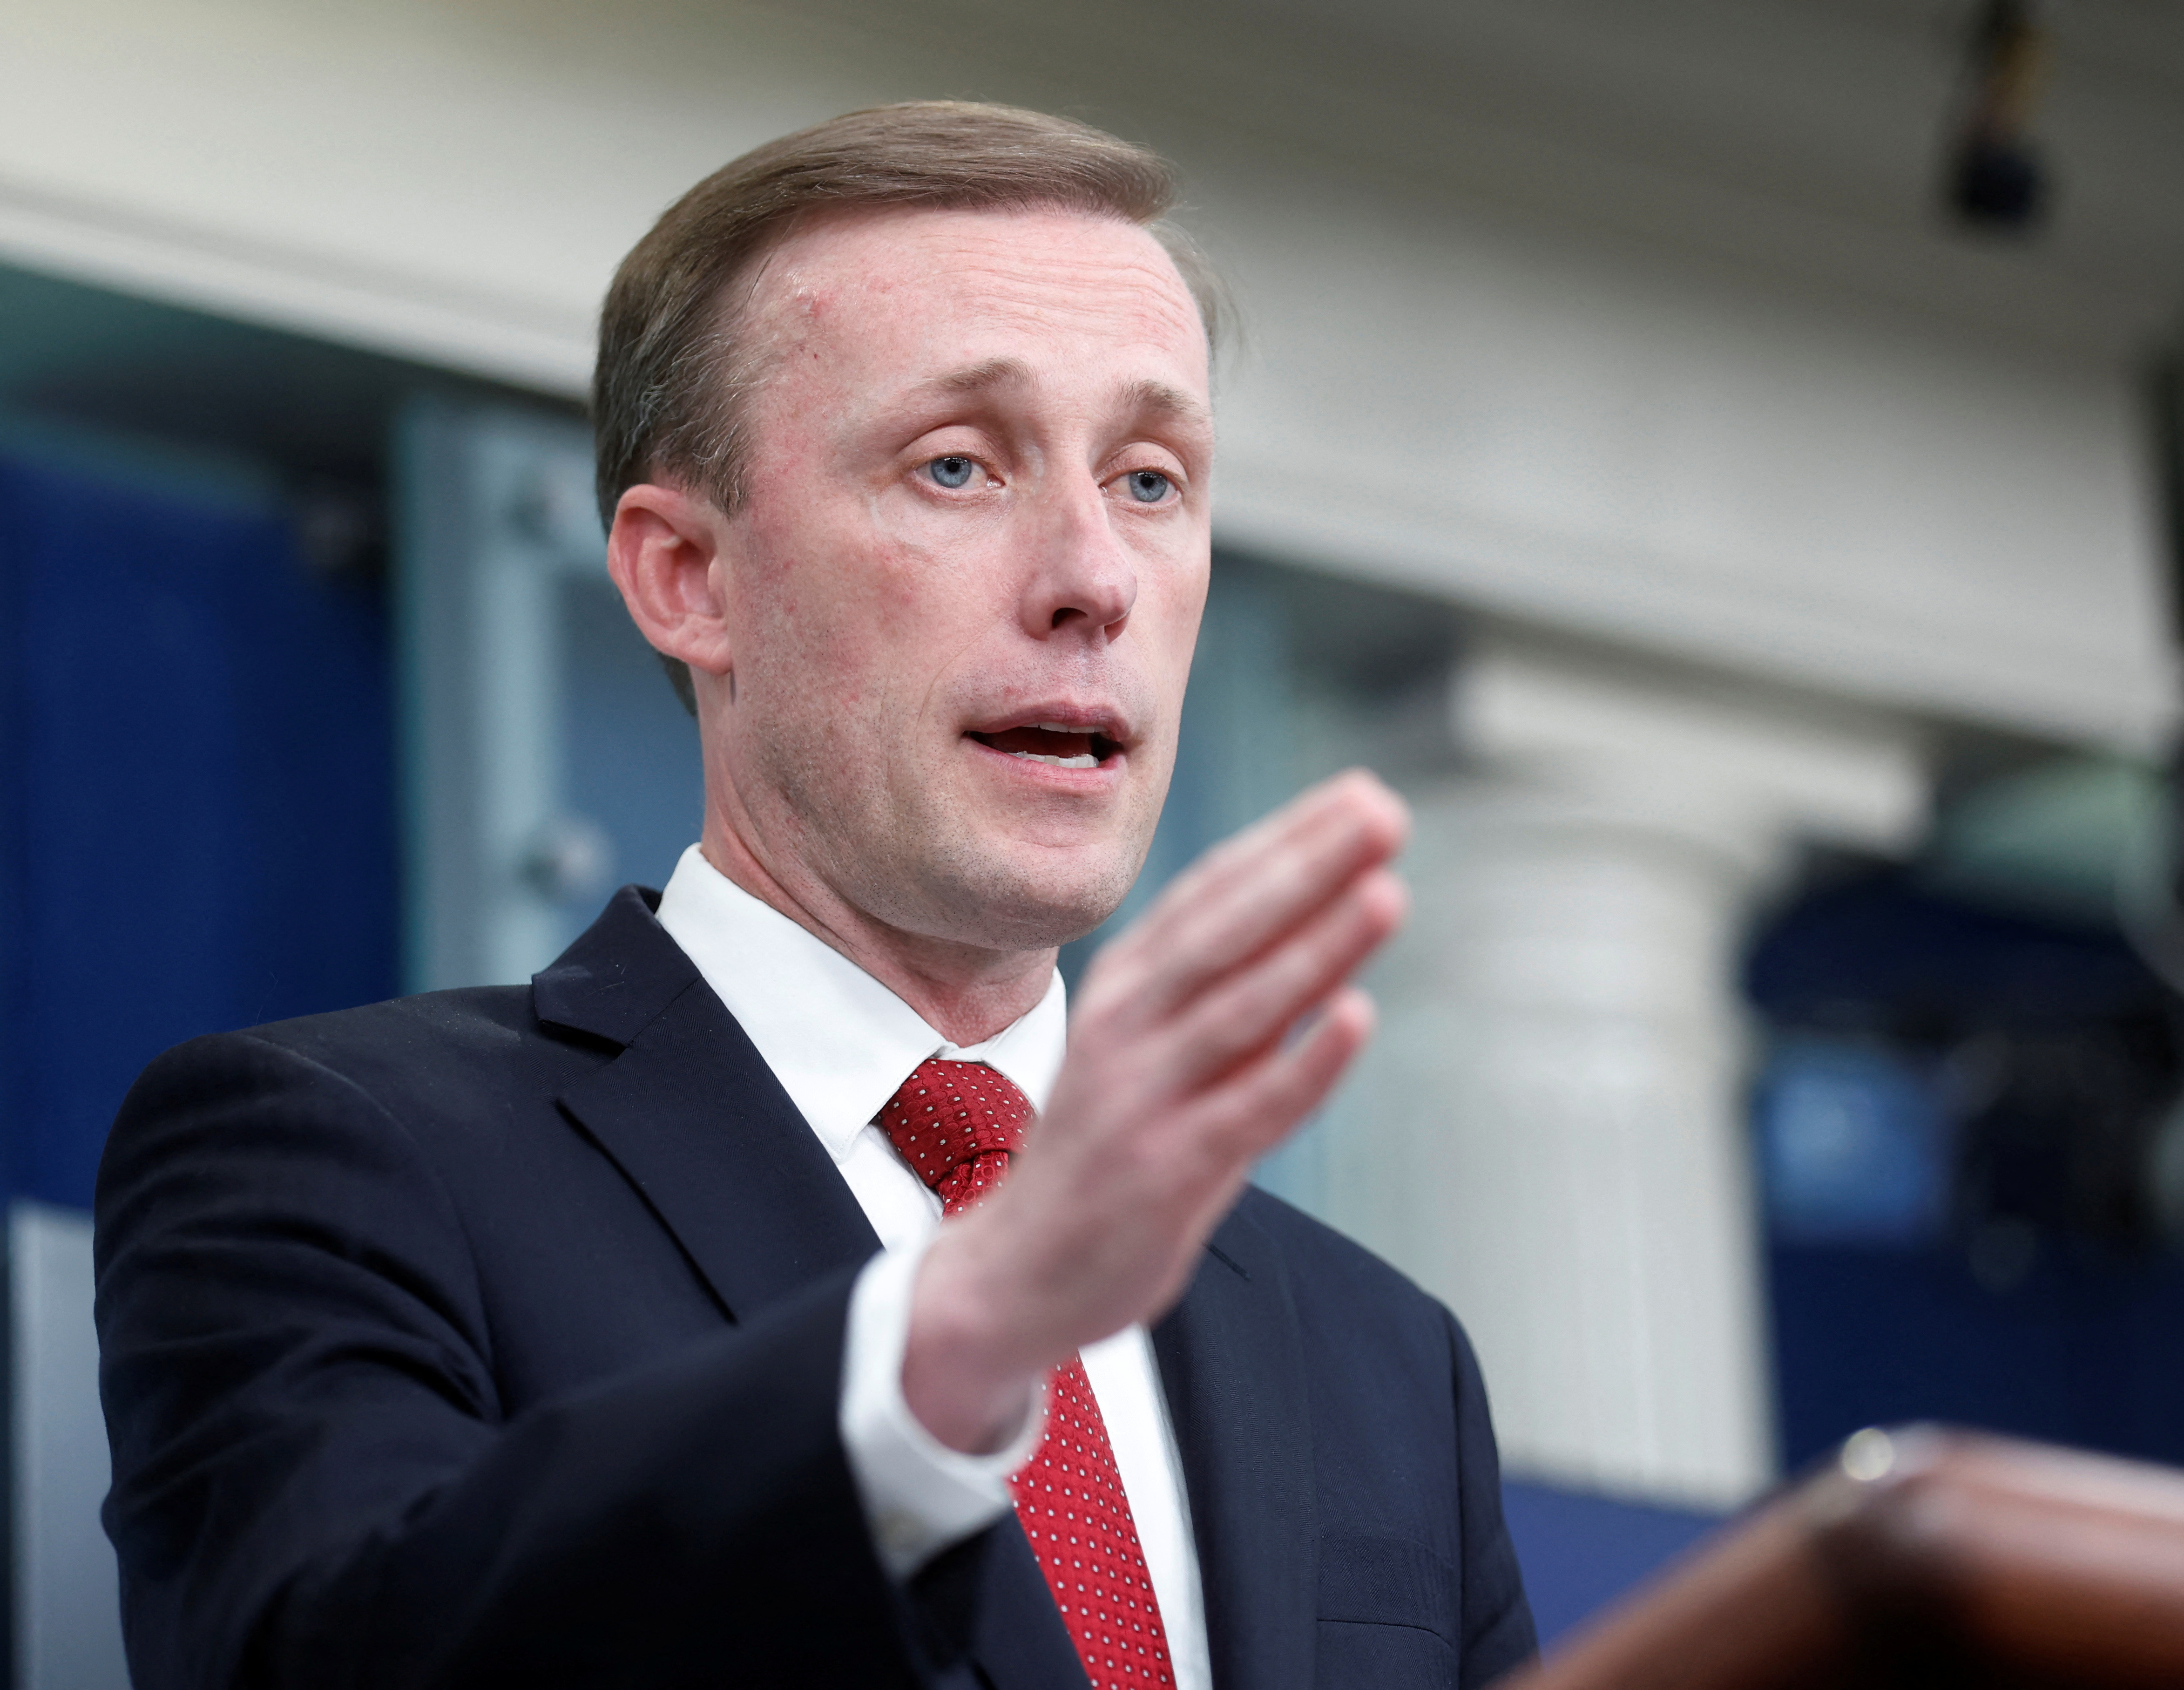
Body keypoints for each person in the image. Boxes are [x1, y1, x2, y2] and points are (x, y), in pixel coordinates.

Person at [95, 102, 1536, 1690]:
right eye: (957, 464)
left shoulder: (1386, 1358)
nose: (1094, 578)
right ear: (687, 578)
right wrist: (949, 1349)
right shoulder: (342, 1157)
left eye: (1148, 478)